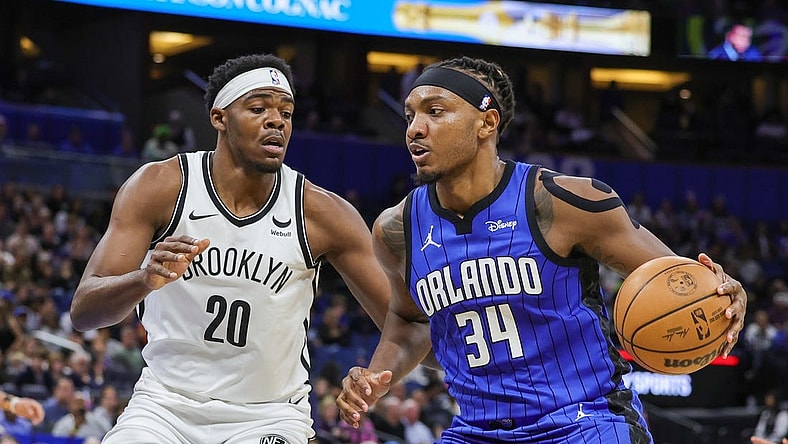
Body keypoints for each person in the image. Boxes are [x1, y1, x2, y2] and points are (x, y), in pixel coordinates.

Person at [336, 56, 748, 443]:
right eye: (410, 115)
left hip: (584, 421)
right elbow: (411, 321)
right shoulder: (397, 230)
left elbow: (680, 281)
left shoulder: (562, 202)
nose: (415, 128)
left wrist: (725, 293)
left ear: (487, 122)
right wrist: (374, 376)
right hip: (477, 429)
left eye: (435, 112)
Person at [69, 53, 392, 444]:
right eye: (258, 109)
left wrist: (374, 374)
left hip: (268, 416)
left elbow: (405, 320)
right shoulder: (160, 186)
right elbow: (84, 311)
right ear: (219, 118)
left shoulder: (322, 213)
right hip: (165, 408)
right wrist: (143, 280)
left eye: (286, 113)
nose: (276, 121)